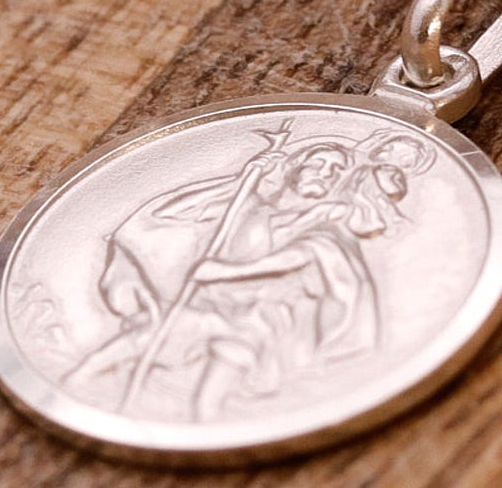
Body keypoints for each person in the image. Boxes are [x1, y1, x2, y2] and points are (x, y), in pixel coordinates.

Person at [64, 132, 427, 423]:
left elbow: (309, 255)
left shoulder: (325, 225)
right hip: (208, 307)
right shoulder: (249, 204)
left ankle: (203, 428)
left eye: (335, 170)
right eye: (318, 163)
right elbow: (170, 214)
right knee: (144, 339)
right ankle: (74, 385)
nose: (325, 173)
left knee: (218, 386)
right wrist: (242, 179)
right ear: (294, 167)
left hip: (261, 323)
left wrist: (226, 272)